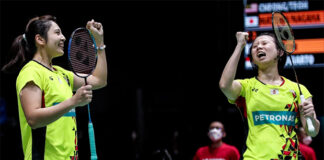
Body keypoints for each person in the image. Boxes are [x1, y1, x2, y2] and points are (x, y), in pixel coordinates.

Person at [1, 15, 107, 159]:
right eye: (57, 33)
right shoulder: (31, 72)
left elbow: (100, 80)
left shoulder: (62, 74)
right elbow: (33, 119)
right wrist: (74, 101)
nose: (63, 37)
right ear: (40, 39)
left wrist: (99, 43)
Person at [219, 32, 320, 159]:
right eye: (255, 46)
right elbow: (224, 85)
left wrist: (311, 118)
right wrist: (240, 45)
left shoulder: (298, 89)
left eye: (265, 43)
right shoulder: (247, 86)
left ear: (280, 52)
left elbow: (312, 131)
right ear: (253, 58)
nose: (259, 47)